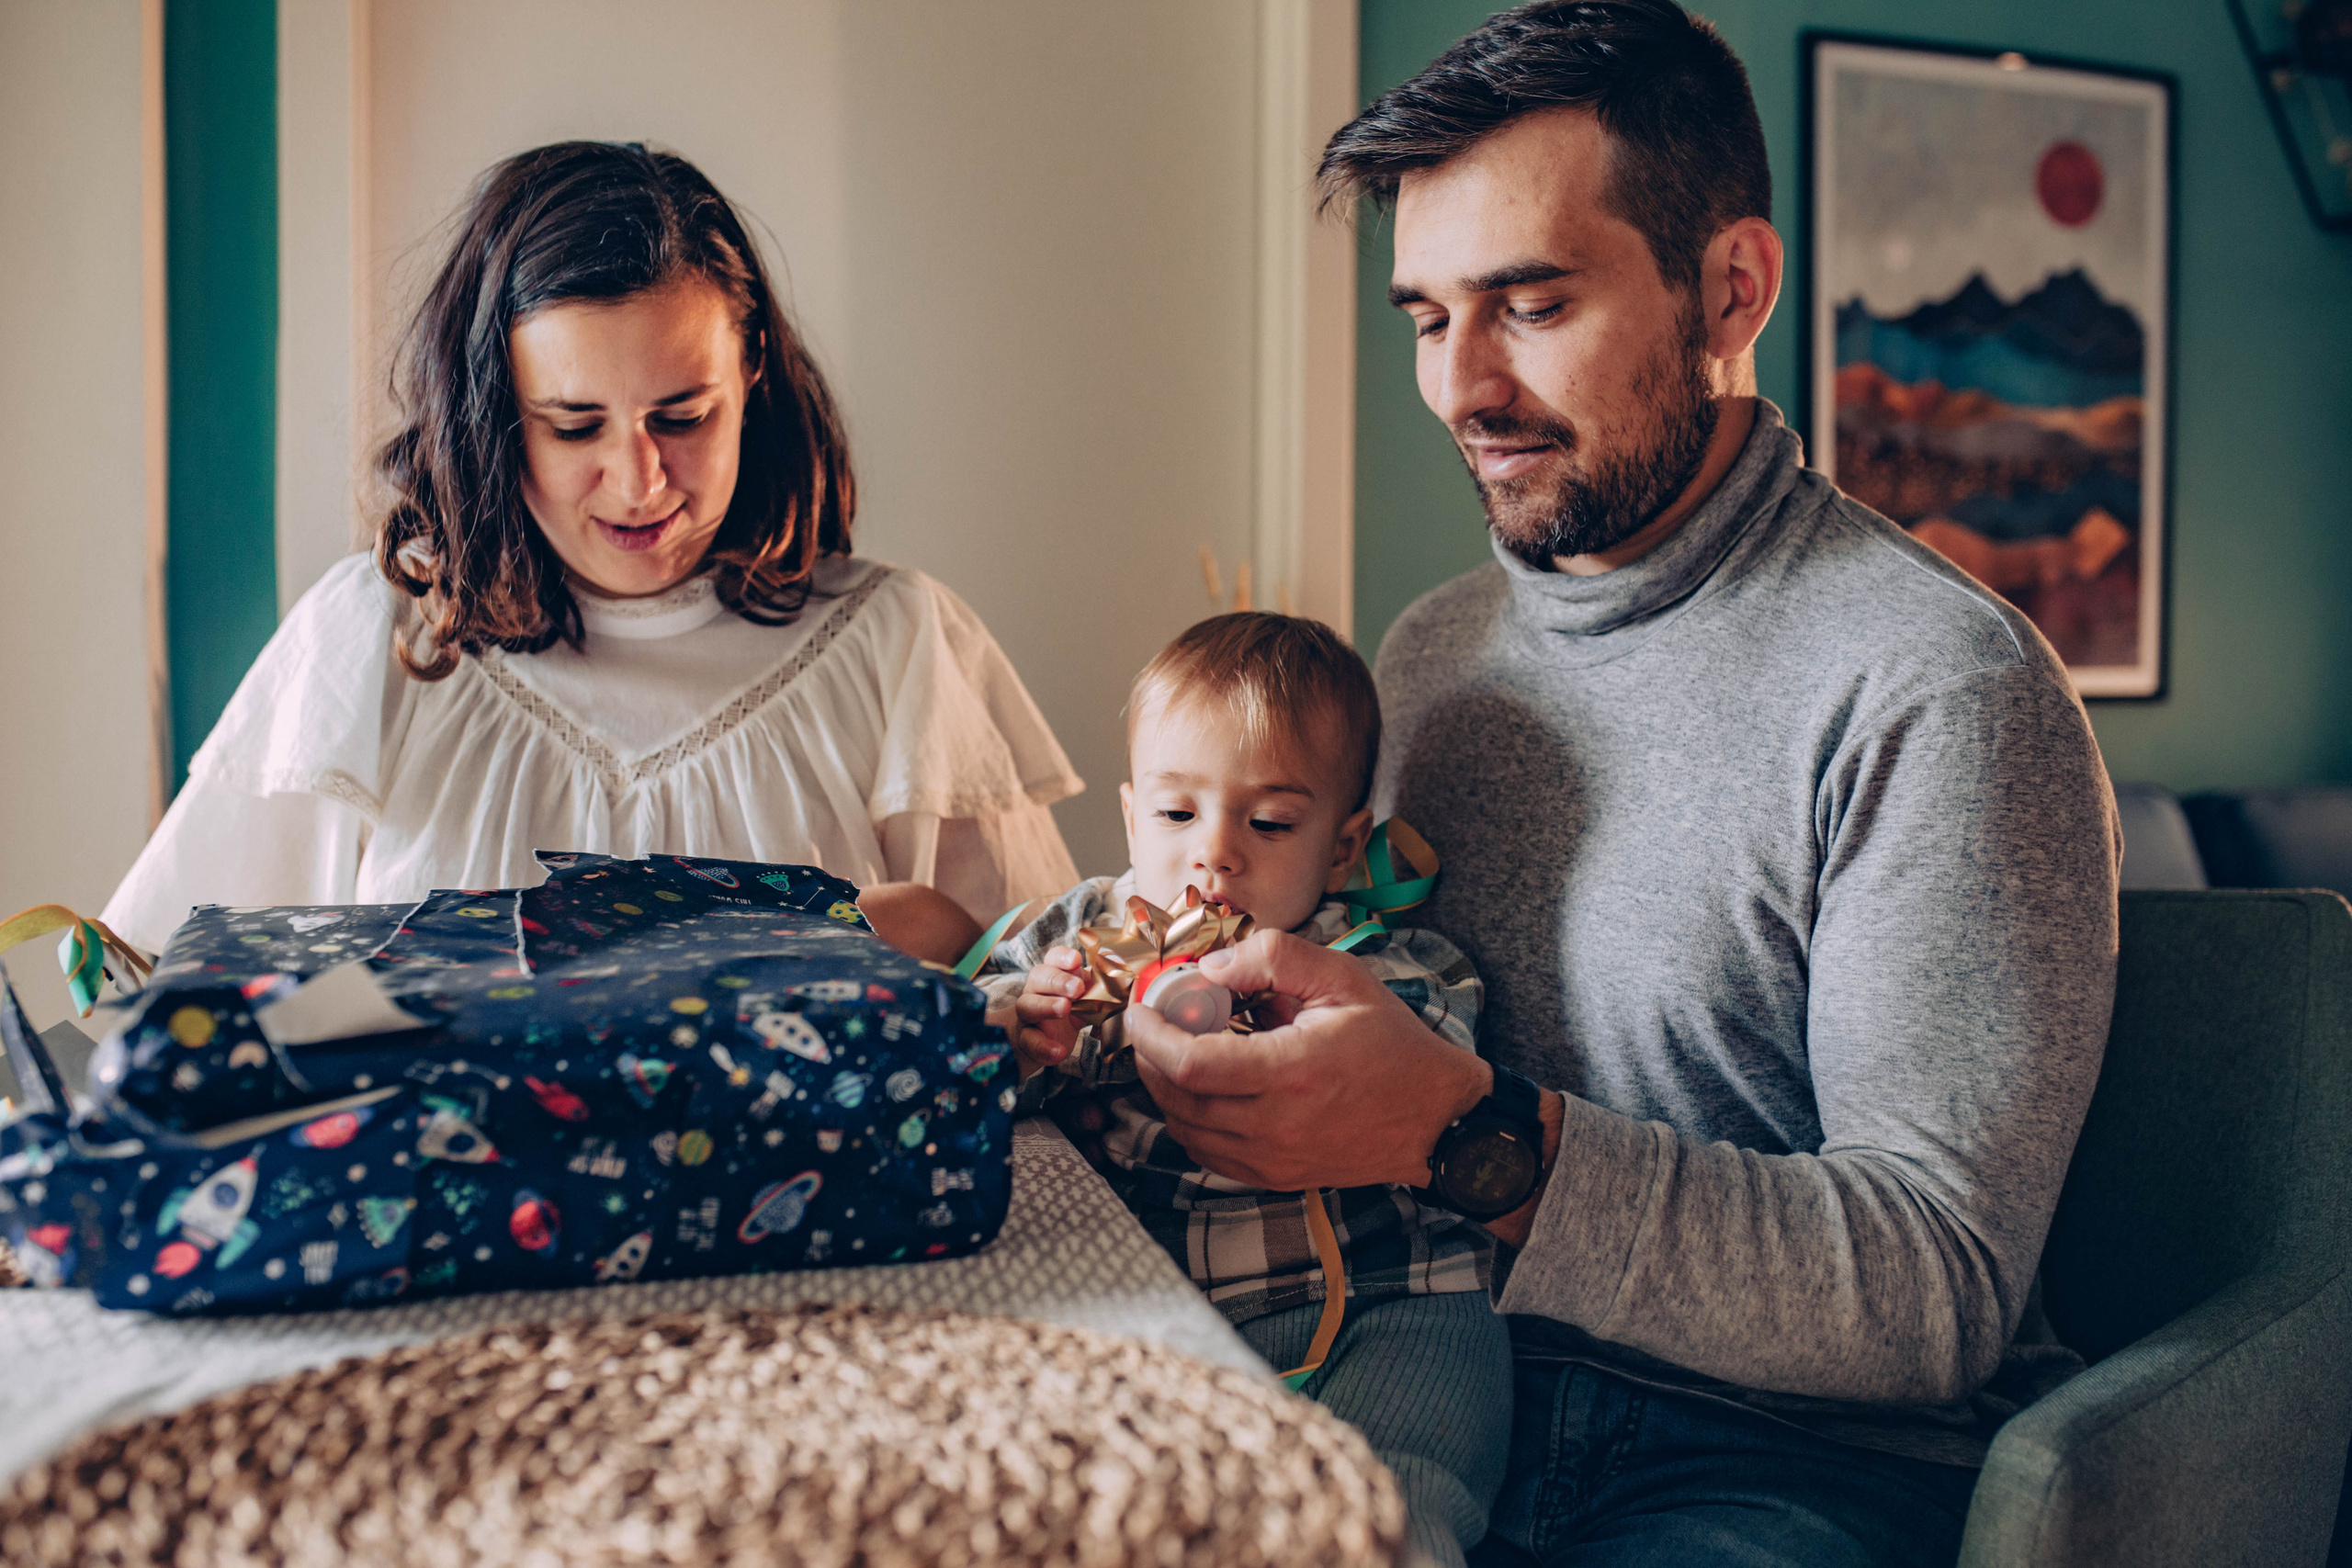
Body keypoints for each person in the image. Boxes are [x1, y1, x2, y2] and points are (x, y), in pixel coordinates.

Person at [1117, 6, 2121, 1566]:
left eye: (1529, 303)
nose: (1460, 385)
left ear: (1732, 288)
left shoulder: (1935, 686)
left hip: (1790, 1460)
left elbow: (1936, 1287)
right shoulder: (1432, 654)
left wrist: (1461, 1136)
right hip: (1429, 1377)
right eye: (1425, 315)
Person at [103, 142, 1080, 961]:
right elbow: (151, 999)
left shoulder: (896, 642)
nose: (639, 480)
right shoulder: (374, 640)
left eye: (682, 416)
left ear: (752, 377)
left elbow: (1052, 1008)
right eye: (574, 427)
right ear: (494, 419)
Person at [982, 614, 1511, 1568]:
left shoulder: (1387, 959)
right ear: (1133, 812)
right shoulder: (1077, 932)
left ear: (1343, 848)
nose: (1215, 855)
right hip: (1153, 1316)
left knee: (1386, 1508)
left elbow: (1429, 1062)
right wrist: (1022, 1026)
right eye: (1179, 814)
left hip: (1390, 1308)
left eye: (1268, 823)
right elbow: (944, 1050)